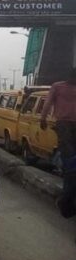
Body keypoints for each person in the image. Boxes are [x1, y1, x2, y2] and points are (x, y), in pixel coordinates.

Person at [41, 67, 76, 219]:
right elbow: (48, 103)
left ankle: (66, 200)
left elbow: (48, 104)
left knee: (70, 164)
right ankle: (67, 200)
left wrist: (43, 119)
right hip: (66, 126)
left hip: (64, 126)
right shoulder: (57, 86)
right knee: (71, 164)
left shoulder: (58, 86)